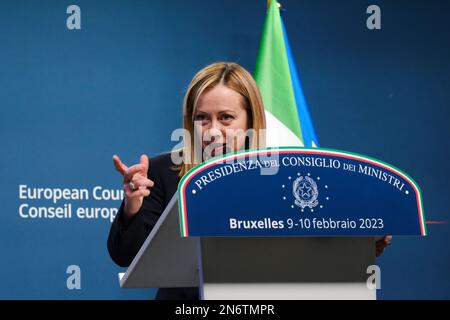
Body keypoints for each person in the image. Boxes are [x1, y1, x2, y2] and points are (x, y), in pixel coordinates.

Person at [107, 61, 392, 300]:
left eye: (226, 118)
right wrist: (133, 206)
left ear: (250, 120)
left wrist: (360, 245)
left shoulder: (285, 173)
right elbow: (126, 256)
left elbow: (310, 251)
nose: (212, 131)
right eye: (202, 118)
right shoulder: (162, 171)